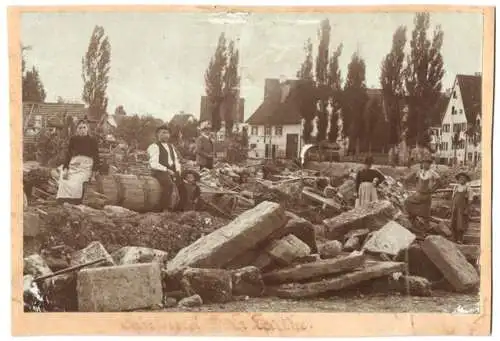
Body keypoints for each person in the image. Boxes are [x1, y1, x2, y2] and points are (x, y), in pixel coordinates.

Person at [56, 120, 100, 204]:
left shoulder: (92, 140)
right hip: (74, 163)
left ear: (87, 129)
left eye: (84, 127)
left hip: (86, 165)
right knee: (65, 178)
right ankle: (63, 199)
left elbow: (96, 157)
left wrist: (94, 173)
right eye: (80, 128)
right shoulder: (73, 139)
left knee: (77, 180)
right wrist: (66, 167)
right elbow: (68, 154)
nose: (82, 130)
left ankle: (74, 200)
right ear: (77, 129)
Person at [147, 125, 183, 211]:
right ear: (157, 135)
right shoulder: (154, 146)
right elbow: (153, 163)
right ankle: (163, 208)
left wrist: (178, 170)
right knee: (168, 184)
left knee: (182, 183)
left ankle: (178, 207)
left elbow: (176, 160)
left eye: (167, 133)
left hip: (171, 170)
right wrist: (167, 170)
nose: (166, 135)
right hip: (158, 171)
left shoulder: (171, 146)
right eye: (163, 133)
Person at [404, 156, 441, 226]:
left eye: (427, 164)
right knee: (407, 202)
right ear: (422, 164)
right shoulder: (419, 172)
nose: (425, 165)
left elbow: (439, 182)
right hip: (418, 194)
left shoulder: (432, 173)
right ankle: (413, 221)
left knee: (425, 213)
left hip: (426, 196)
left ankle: (426, 227)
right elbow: (414, 180)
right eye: (424, 163)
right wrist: (415, 187)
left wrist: (432, 190)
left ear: (430, 165)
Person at [450, 172, 473, 244]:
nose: (461, 179)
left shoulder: (468, 188)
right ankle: (454, 238)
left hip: (462, 209)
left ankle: (460, 239)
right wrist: (451, 207)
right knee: (454, 222)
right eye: (460, 178)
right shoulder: (456, 187)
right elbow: (453, 197)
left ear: (466, 180)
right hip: (455, 208)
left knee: (461, 223)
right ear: (458, 179)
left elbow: (470, 200)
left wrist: (466, 209)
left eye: (463, 178)